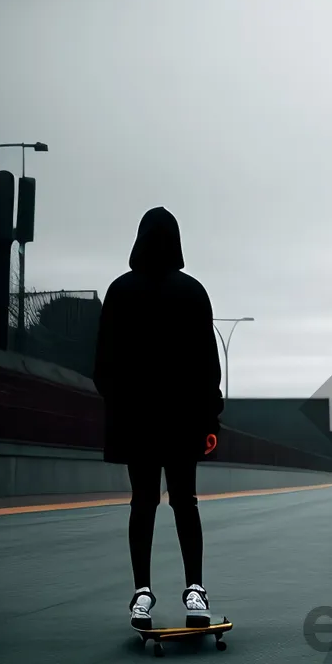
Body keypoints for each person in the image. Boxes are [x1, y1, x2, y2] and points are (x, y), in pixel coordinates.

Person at [92, 207, 223, 630]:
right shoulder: (194, 292)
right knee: (185, 502)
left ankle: (142, 593)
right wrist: (210, 421)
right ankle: (195, 591)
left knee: (142, 503)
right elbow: (208, 367)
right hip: (183, 422)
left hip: (137, 424)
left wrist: (121, 406)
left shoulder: (119, 291)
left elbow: (102, 366)